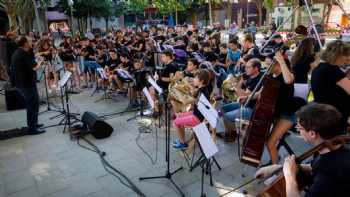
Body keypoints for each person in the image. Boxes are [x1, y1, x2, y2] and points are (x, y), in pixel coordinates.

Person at [255, 103, 350, 197]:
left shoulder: (327, 175)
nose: (298, 130)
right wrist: (278, 167)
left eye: (299, 128)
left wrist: (289, 176)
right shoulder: (336, 149)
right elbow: (314, 167)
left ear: (312, 134)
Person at [220, 58, 263, 142]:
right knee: (223, 109)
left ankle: (230, 135)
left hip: (251, 108)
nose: (245, 69)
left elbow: (244, 96)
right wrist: (240, 82)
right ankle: (233, 130)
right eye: (245, 67)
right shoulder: (252, 76)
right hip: (246, 103)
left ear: (256, 68)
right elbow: (244, 95)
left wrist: (234, 84)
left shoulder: (258, 79)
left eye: (248, 67)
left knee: (226, 116)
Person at [311, 40, 350, 132]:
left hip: (323, 110)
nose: (348, 59)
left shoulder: (320, 67)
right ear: (337, 55)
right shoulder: (333, 71)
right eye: (346, 55)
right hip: (335, 113)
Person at [265, 51, 296, 164]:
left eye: (269, 64)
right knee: (265, 139)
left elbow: (288, 80)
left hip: (287, 115)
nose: (266, 67)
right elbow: (262, 92)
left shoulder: (287, 75)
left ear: (277, 64)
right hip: (275, 113)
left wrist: (282, 61)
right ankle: (275, 159)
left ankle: (275, 170)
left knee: (270, 142)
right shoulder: (270, 75)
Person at [11, 36, 45, 135]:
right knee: (32, 105)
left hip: (25, 83)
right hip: (26, 84)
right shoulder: (23, 54)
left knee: (34, 103)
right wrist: (40, 62)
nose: (32, 42)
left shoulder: (19, 52)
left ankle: (34, 124)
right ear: (25, 43)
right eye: (30, 41)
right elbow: (34, 68)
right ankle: (32, 129)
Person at [172, 69, 211, 150]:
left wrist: (176, 91)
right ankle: (182, 139)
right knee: (177, 116)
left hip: (197, 118)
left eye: (196, 78)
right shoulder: (203, 89)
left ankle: (183, 143)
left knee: (175, 122)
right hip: (195, 114)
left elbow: (185, 101)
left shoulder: (201, 92)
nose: (194, 79)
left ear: (201, 81)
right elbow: (192, 93)